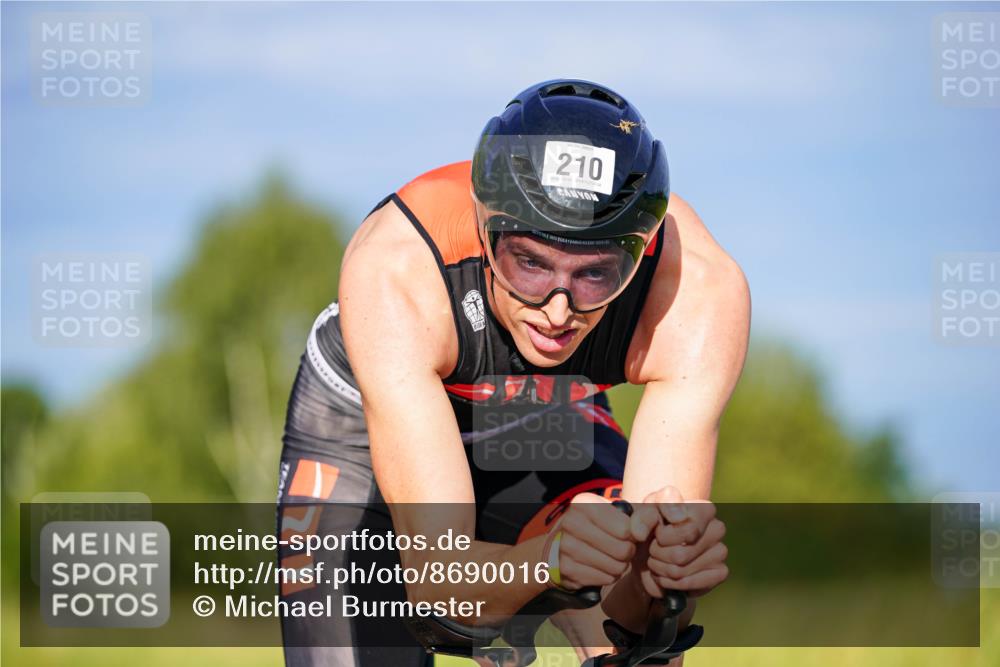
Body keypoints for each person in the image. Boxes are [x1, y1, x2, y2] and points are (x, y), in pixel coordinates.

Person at [276, 79, 750, 667]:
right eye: (529, 262)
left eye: (596, 273)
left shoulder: (696, 291)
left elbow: (634, 620)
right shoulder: (397, 265)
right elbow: (439, 590)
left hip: (542, 411)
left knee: (639, 646)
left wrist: (661, 586)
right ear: (485, 229)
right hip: (359, 421)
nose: (558, 309)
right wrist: (546, 561)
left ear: (640, 251)